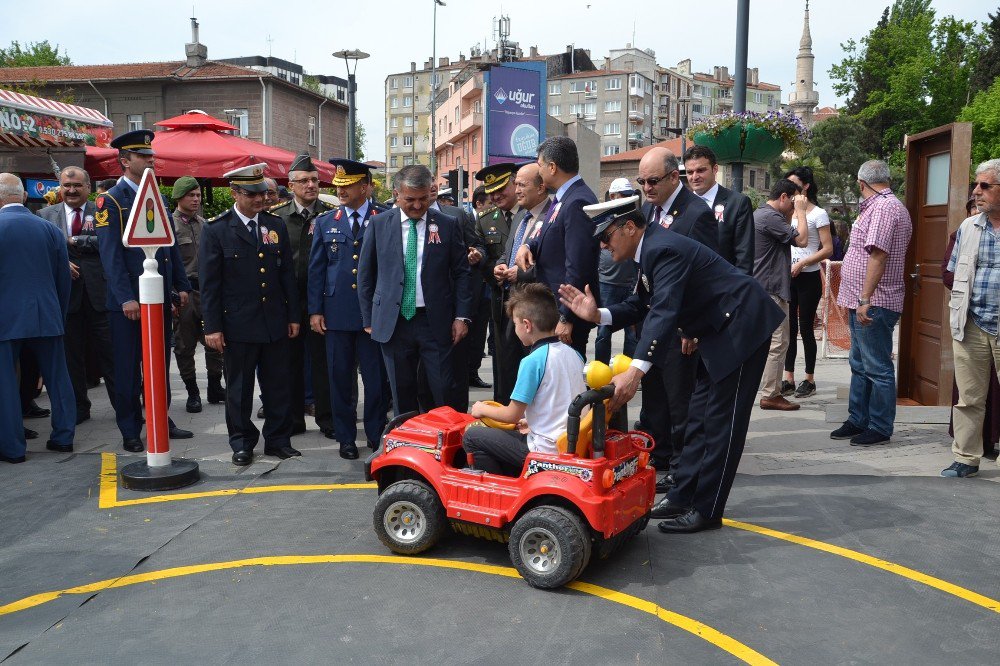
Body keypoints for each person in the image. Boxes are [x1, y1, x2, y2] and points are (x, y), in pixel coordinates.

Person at [559, 196, 783, 533]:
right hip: (719, 328)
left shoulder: (662, 249)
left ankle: (708, 509)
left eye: (606, 237)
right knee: (698, 418)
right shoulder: (649, 251)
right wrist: (598, 315)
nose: (603, 246)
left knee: (723, 422)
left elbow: (663, 311)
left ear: (630, 228)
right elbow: (641, 304)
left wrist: (635, 371)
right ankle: (683, 495)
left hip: (741, 327)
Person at [95, 129, 193, 452]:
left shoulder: (159, 197)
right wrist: (125, 297)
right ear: (125, 161)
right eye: (143, 156)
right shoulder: (109, 201)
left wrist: (180, 285)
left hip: (159, 298)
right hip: (129, 303)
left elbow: (169, 247)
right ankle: (130, 428)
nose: (151, 159)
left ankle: (160, 419)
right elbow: (111, 256)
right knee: (127, 367)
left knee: (159, 364)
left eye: (151, 154)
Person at [199, 164, 300, 465]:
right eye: (252, 194)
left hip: (273, 322)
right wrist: (213, 327)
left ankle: (278, 439)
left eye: (262, 193)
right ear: (234, 193)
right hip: (237, 324)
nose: (260, 200)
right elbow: (209, 284)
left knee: (278, 385)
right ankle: (242, 442)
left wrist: (292, 315)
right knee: (239, 389)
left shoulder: (274, 225)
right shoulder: (216, 229)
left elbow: (286, 277)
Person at [632, 146, 719, 491]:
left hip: (682, 324)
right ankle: (660, 453)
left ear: (673, 176)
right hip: (655, 319)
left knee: (680, 397)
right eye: (642, 181)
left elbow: (705, 277)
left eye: (653, 181)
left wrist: (691, 329)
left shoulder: (696, 213)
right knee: (655, 394)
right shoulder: (648, 211)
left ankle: (685, 467)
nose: (647, 187)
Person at [357, 164, 472, 415]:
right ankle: (406, 445)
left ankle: (444, 446)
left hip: (435, 322)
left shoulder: (447, 225)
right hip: (393, 322)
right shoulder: (378, 224)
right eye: (410, 200)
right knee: (401, 391)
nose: (418, 206)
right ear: (396, 194)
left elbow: (462, 273)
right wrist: (369, 318)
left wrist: (461, 316)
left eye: (423, 199)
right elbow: (366, 275)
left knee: (443, 389)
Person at [309, 159, 389, 460]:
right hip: (337, 312)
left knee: (375, 379)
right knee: (339, 378)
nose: (341, 191)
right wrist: (315, 310)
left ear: (365, 187)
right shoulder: (327, 221)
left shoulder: (384, 217)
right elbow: (317, 269)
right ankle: (345, 437)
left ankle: (374, 434)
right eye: (338, 186)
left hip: (373, 314)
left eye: (348, 185)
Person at [463, 283, 585, 476]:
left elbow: (511, 415)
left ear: (527, 325)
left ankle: (502, 489)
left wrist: (480, 408)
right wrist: (532, 422)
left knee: (471, 435)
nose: (515, 329)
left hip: (544, 450)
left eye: (515, 323)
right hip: (566, 441)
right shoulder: (574, 354)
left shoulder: (532, 361)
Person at [830, 160, 913, 446]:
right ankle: (858, 419)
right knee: (860, 363)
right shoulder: (881, 206)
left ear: (861, 183)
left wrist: (865, 298)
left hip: (874, 301)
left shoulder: (884, 208)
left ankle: (878, 425)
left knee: (877, 367)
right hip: (863, 299)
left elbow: (878, 256)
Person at [0, 173, 75, 463]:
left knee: (6, 382)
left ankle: (12, 448)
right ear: (21, 196)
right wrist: (59, 313)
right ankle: (63, 437)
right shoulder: (49, 229)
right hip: (47, 313)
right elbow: (63, 280)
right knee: (58, 379)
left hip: (6, 318)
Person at [38, 166, 115, 425]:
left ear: (88, 187)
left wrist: (71, 242)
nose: (71, 191)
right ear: (60, 187)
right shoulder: (44, 215)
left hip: (100, 296)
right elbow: (40, 253)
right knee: (71, 359)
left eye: (77, 186)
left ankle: (124, 408)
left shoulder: (103, 211)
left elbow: (108, 241)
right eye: (66, 186)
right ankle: (79, 408)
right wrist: (60, 261)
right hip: (66, 299)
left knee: (111, 356)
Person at [268, 153, 336, 437]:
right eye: (304, 181)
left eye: (314, 180)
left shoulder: (330, 214)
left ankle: (328, 419)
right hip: (290, 302)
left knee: (325, 364)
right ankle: (294, 420)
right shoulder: (278, 218)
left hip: (323, 301)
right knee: (289, 365)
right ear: (291, 185)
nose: (310, 185)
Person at [941, 160, 1000, 478]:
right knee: (969, 396)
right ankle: (965, 458)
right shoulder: (968, 227)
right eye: (977, 185)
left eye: (985, 186)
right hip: (972, 322)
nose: (977, 191)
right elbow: (952, 271)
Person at [515, 136, 599, 356]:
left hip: (564, 313)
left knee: (563, 383)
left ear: (552, 167)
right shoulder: (563, 198)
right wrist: (528, 246)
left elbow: (578, 266)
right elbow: (547, 232)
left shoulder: (577, 201)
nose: (539, 172)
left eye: (540, 165)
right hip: (552, 308)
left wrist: (566, 317)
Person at [493, 162, 551, 404]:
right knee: (508, 369)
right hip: (511, 305)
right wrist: (500, 266)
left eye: (522, 184)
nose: (516, 190)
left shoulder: (552, 218)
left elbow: (553, 263)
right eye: (515, 184)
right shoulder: (520, 216)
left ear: (541, 187)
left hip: (536, 311)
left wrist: (522, 274)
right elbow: (508, 253)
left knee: (533, 375)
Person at [425, 184, 486, 410]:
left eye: (431, 183)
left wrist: (477, 254)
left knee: (454, 372)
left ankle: (456, 420)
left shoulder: (456, 215)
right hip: (416, 308)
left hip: (451, 303)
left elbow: (478, 245)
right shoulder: (394, 218)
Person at [169, 176, 224, 413]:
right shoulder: (169, 225)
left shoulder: (205, 224)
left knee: (214, 341)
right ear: (179, 197)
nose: (196, 199)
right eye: (191, 195)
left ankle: (214, 386)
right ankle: (193, 392)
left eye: (198, 195)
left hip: (208, 291)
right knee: (185, 344)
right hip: (184, 292)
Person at [754, 179, 809, 411]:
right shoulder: (770, 217)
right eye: (792, 201)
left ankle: (769, 391)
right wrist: (802, 211)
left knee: (774, 343)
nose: (794, 206)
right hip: (772, 288)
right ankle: (770, 394)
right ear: (784, 197)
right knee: (778, 343)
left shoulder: (764, 215)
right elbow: (803, 240)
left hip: (766, 287)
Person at [782, 166, 833, 399]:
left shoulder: (818, 214)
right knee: (787, 329)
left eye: (795, 184)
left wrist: (802, 263)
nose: (791, 189)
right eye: (788, 184)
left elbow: (827, 249)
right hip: (786, 276)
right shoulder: (785, 211)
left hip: (809, 276)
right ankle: (788, 377)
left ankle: (809, 379)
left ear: (806, 186)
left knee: (806, 328)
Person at [474, 162, 523, 390]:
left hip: (529, 299)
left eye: (501, 189)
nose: (495, 196)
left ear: (515, 183)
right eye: (491, 192)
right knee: (503, 365)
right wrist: (489, 266)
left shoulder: (530, 213)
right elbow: (481, 254)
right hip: (501, 301)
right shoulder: (485, 220)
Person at [683, 145, 755, 274]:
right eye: (690, 172)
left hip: (723, 289)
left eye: (700, 170)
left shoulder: (737, 203)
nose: (694, 177)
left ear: (715, 169)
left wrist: (737, 291)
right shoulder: (681, 205)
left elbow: (744, 257)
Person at [595, 177, 638, 364]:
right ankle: (601, 372)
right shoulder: (603, 218)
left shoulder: (635, 218)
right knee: (604, 331)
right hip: (607, 283)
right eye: (623, 195)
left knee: (632, 332)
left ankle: (628, 372)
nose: (627, 199)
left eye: (629, 195)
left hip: (631, 283)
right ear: (612, 196)